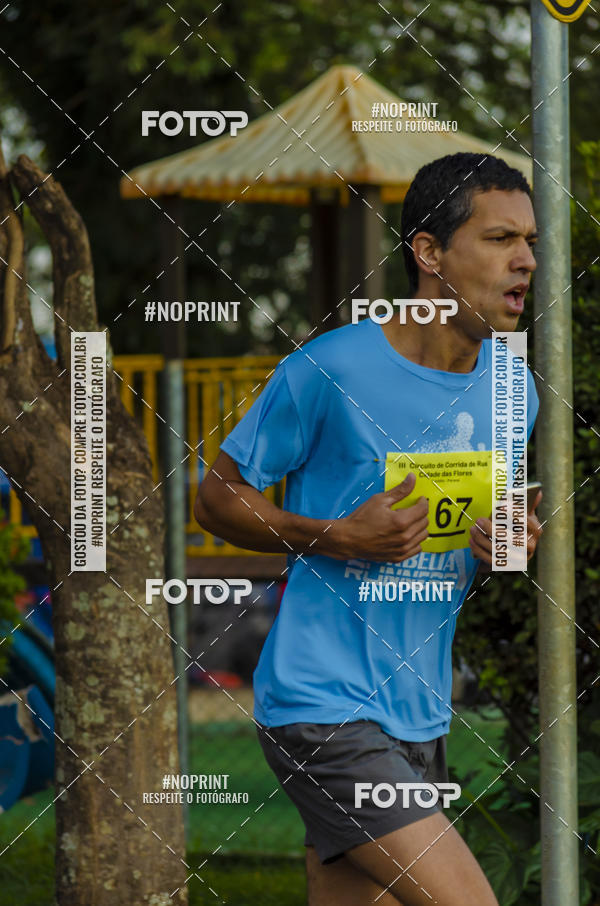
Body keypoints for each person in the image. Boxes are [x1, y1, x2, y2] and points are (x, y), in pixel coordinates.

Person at [194, 152, 543, 906]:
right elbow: (215, 498)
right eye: (499, 239)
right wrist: (339, 536)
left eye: (532, 242)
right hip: (324, 707)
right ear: (427, 252)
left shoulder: (517, 388)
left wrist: (501, 547)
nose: (526, 261)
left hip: (419, 711)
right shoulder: (332, 369)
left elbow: (470, 548)